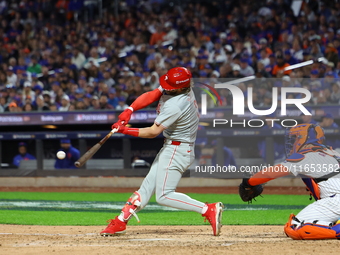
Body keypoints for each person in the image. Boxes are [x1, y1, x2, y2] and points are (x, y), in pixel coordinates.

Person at [100, 67, 223, 237]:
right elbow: (153, 94)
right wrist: (130, 110)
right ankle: (121, 221)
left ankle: (208, 209)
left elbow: (152, 132)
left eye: (170, 86)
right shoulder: (180, 88)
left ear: (180, 87)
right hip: (172, 147)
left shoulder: (177, 104)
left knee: (163, 196)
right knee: (146, 189)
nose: (165, 87)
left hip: (178, 149)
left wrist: (124, 130)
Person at [240, 124, 340, 240]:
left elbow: (271, 173)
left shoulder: (306, 156)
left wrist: (249, 183)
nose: (292, 143)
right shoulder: (334, 153)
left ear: (304, 139)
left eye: (295, 139)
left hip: (337, 200)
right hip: (335, 200)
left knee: (295, 227)